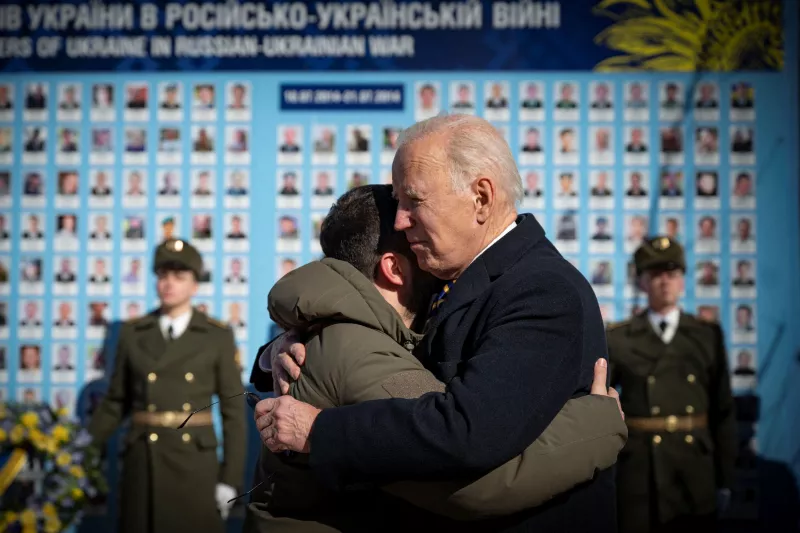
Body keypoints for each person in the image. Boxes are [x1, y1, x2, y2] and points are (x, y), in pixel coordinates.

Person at [254, 114, 620, 531]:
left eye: (414, 201)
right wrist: (284, 348)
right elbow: (381, 337)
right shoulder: (454, 280)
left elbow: (467, 434)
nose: (399, 220)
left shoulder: (541, 291)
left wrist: (319, 430)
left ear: (480, 197)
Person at [86, 238, 246, 533]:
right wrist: (79, 452)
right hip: (142, 463)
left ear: (195, 285)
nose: (169, 284)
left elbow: (234, 412)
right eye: (163, 275)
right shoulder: (133, 334)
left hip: (195, 468)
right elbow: (115, 403)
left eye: (179, 276)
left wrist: (229, 480)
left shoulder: (216, 336)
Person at [606, 236, 736, 532]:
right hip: (640, 472)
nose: (664, 282)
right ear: (641, 282)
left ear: (682, 282)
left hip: (694, 470)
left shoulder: (706, 335)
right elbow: (601, 405)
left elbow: (723, 411)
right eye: (655, 275)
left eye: (672, 274)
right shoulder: (619, 338)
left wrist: (725, 479)